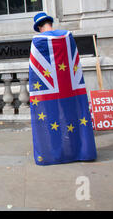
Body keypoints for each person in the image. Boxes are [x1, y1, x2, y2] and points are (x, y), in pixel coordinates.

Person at [28, 12, 97, 165]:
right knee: (74, 116)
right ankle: (80, 151)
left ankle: (55, 154)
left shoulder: (38, 41)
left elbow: (34, 70)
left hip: (48, 91)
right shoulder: (68, 37)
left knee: (52, 118)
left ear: (39, 27)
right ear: (50, 23)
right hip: (70, 88)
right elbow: (74, 62)